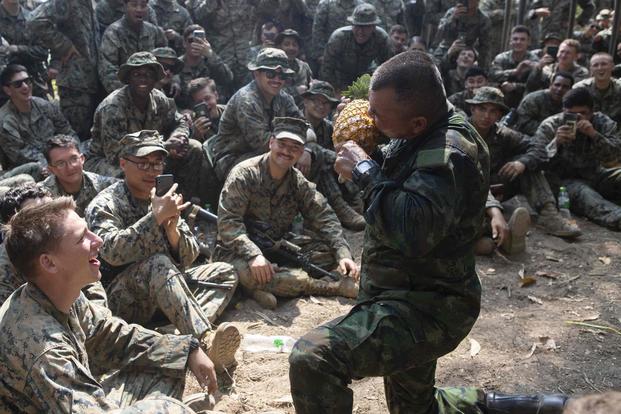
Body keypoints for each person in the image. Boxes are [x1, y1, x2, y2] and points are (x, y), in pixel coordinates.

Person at [288, 50, 570, 414]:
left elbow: (412, 231)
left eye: (377, 114)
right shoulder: (423, 128)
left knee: (314, 358)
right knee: (418, 409)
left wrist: (363, 171)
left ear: (418, 123)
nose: (369, 117)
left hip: (425, 308)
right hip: (400, 291)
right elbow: (406, 174)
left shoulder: (447, 151)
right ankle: (538, 408)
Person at [0, 196, 233, 412]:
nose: (98, 240)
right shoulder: (43, 348)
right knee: (169, 408)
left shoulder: (57, 293)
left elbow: (108, 335)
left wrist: (187, 349)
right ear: (49, 263)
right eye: (82, 238)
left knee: (167, 361)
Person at [86, 131, 241, 360]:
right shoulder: (105, 203)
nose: (152, 171)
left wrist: (172, 230)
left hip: (167, 288)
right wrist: (154, 218)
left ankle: (175, 334)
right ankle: (203, 340)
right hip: (123, 298)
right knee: (159, 263)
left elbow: (190, 257)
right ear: (123, 164)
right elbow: (111, 253)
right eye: (143, 163)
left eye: (157, 163)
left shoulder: (163, 196)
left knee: (224, 272)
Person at [213, 117, 359, 310]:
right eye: (282, 144)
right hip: (236, 252)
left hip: (275, 247)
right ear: (271, 142)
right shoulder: (244, 174)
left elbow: (323, 215)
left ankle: (262, 286)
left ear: (301, 152)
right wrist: (254, 255)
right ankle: (333, 287)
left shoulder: (297, 182)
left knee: (328, 252)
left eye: (295, 147)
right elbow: (228, 224)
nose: (287, 151)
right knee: (245, 273)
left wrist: (343, 254)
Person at [87, 52, 203, 203]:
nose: (143, 79)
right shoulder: (113, 107)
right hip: (106, 161)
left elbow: (179, 121)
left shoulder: (159, 98)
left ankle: (178, 205)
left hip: (151, 158)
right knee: (132, 172)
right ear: (128, 78)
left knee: (194, 148)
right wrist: (164, 147)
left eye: (148, 75)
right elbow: (116, 155)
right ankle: (136, 215)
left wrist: (178, 137)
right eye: (137, 74)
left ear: (155, 79)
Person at [467, 87, 581, 239]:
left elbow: (538, 147)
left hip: (494, 187)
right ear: (472, 109)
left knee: (527, 164)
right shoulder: (458, 131)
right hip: (466, 190)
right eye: (482, 109)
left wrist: (522, 163)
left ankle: (549, 215)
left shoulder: (502, 134)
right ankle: (493, 228)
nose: (487, 116)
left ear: (500, 115)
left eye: (493, 111)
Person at [532, 87, 621, 230]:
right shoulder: (551, 124)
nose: (577, 118)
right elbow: (535, 158)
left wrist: (594, 134)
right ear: (563, 110)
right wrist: (556, 142)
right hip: (563, 182)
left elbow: (616, 156)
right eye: (570, 114)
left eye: (583, 114)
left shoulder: (603, 122)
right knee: (587, 196)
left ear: (592, 111)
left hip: (595, 174)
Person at [209, 47, 300, 182]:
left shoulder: (284, 98)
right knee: (278, 163)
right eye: (270, 74)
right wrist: (297, 150)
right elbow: (262, 143)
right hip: (234, 159)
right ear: (257, 73)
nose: (277, 79)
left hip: (272, 152)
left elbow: (303, 126)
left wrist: (307, 149)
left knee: (317, 155)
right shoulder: (246, 100)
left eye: (282, 76)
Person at [27, 0, 102, 139]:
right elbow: (35, 21)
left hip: (93, 81)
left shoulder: (90, 3)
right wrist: (64, 45)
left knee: (94, 136)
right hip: (75, 85)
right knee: (76, 137)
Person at [0, 64, 76, 176]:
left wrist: (74, 153)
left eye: (27, 81)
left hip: (57, 160)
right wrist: (53, 164)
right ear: (8, 90)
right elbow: (21, 155)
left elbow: (67, 132)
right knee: (36, 168)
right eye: (18, 84)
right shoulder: (4, 121)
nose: (25, 86)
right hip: (26, 170)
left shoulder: (45, 106)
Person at [320, 3, 394, 94]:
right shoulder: (338, 37)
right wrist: (335, 90)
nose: (360, 32)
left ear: (374, 27)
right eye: (357, 26)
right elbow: (327, 69)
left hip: (366, 79)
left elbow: (387, 67)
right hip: (340, 79)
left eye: (366, 27)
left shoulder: (382, 38)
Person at [98, 0, 167, 93]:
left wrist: (173, 79)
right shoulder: (113, 33)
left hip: (152, 91)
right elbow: (107, 72)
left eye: (143, 6)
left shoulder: (154, 31)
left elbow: (167, 60)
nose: (139, 9)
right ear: (125, 7)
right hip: (123, 94)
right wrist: (131, 94)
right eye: (134, 5)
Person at [40, 135, 118, 216]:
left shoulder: (105, 185)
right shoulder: (41, 197)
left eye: (74, 159)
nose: (70, 167)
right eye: (61, 163)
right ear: (51, 169)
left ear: (82, 159)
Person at [177, 24, 233, 109]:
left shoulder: (212, 61)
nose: (195, 44)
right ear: (184, 43)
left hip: (213, 109)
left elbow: (228, 78)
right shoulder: (177, 65)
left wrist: (210, 55)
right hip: (187, 114)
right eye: (191, 40)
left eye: (200, 40)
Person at [490, 25, 540, 108]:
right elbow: (493, 75)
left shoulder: (533, 60)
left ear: (529, 42)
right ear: (510, 41)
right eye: (515, 39)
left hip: (524, 100)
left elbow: (536, 85)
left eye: (522, 39)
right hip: (501, 98)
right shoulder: (501, 58)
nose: (518, 42)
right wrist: (516, 71)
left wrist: (515, 86)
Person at [434, 0, 492, 69]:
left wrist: (483, 67)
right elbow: (439, 34)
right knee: (436, 66)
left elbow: (485, 47)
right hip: (446, 49)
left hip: (467, 52)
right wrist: (452, 18)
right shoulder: (452, 12)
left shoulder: (483, 19)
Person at [515, 71, 574, 135]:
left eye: (565, 87)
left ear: (570, 89)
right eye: (557, 85)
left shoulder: (572, 104)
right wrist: (551, 131)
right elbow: (522, 124)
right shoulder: (533, 99)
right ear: (550, 85)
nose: (560, 89)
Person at [573, 52, 621, 123]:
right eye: (595, 65)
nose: (600, 68)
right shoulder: (580, 89)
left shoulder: (619, 87)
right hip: (586, 128)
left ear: (612, 66)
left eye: (604, 64)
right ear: (591, 69)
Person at [275, 29, 313, 103]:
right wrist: (296, 91)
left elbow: (310, 87)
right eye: (286, 44)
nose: (291, 48)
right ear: (279, 47)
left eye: (294, 45)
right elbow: (269, 93)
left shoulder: (304, 67)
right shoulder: (272, 67)